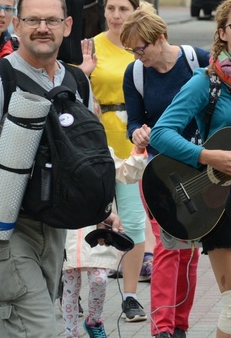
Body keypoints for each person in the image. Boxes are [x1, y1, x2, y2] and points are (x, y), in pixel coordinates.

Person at [0, 0, 122, 337]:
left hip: (55, 226)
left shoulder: (76, 80)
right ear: (16, 24)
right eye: (32, 20)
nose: (42, 27)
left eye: (52, 20)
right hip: (2, 228)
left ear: (67, 25)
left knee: (40, 324)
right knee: (36, 329)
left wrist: (103, 209)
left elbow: (84, 153)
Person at [150, 0, 231, 338]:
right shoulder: (206, 82)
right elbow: (161, 133)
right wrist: (206, 156)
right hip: (220, 203)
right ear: (222, 32)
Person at [121, 7, 211, 338]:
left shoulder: (196, 60)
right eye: (132, 50)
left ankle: (180, 325)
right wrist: (138, 133)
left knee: (189, 252)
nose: (137, 55)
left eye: (140, 48)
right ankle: (162, 328)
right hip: (159, 172)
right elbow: (134, 118)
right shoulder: (136, 73)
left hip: (198, 167)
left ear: (160, 39)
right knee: (165, 246)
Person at [79, 0, 149, 323]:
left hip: (133, 146)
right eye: (111, 9)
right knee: (87, 219)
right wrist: (84, 71)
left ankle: (131, 296)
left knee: (134, 222)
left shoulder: (142, 45)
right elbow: (79, 92)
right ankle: (81, 292)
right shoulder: (93, 45)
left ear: (134, 10)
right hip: (97, 144)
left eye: (123, 9)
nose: (117, 15)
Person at [61, 143, 148, 338]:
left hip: (97, 230)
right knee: (70, 287)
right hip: (68, 231)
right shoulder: (59, 146)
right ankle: (70, 333)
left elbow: (124, 172)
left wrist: (139, 150)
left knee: (99, 280)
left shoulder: (102, 148)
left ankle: (94, 321)